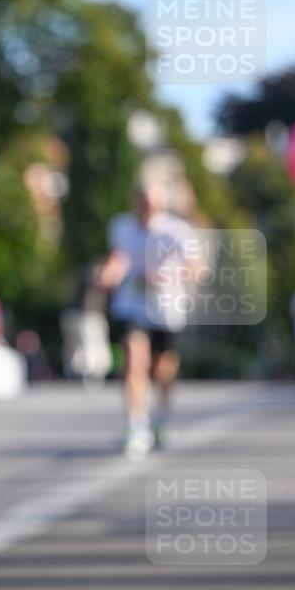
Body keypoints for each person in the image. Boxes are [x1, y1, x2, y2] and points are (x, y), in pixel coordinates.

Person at [96, 180, 202, 460]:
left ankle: (162, 420)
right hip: (132, 306)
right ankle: (135, 425)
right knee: (134, 359)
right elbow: (118, 260)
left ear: (161, 204)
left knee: (163, 368)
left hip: (167, 309)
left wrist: (171, 275)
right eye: (143, 202)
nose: (147, 209)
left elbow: (197, 268)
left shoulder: (177, 231)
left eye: (152, 203)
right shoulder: (121, 226)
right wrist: (107, 275)